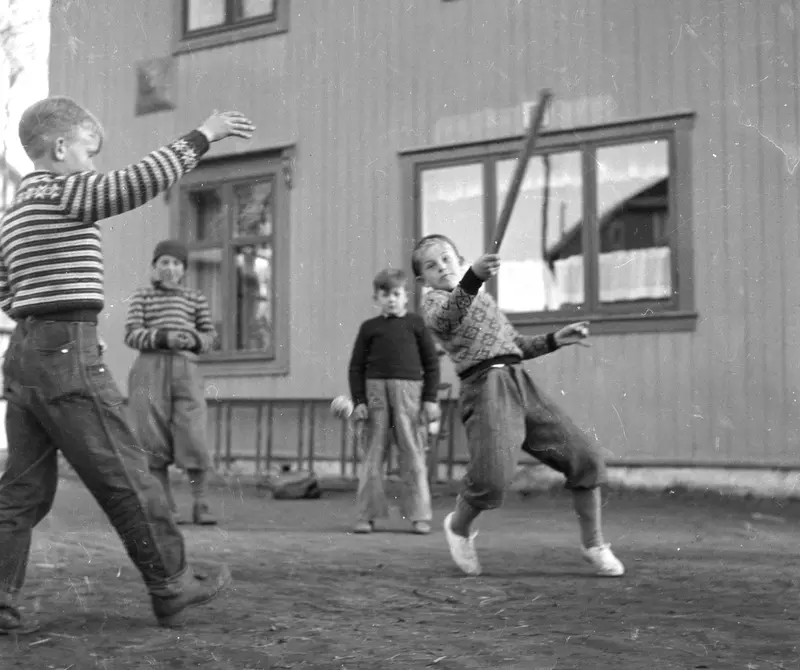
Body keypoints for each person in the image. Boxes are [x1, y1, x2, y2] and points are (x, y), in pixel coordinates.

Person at [0, 95, 254, 634]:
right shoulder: (65, 190)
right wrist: (202, 135)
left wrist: (46, 324)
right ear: (62, 147)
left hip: (25, 356)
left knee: (21, 491)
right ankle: (172, 582)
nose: (94, 165)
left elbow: (5, 288)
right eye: (89, 152)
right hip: (65, 351)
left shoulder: (15, 212)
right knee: (127, 471)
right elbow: (135, 183)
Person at [412, 234, 625, 577]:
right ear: (423, 280)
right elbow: (448, 318)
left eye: (447, 260)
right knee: (491, 480)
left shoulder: (481, 300)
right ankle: (459, 528)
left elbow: (516, 345)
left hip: (519, 382)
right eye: (431, 266)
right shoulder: (434, 303)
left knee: (586, 457)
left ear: (459, 259)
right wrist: (474, 276)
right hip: (484, 387)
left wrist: (557, 339)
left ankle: (594, 543)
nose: (442, 268)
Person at [125, 239, 219, 526]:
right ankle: (165, 506)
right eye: (164, 262)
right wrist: (163, 337)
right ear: (154, 267)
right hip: (150, 367)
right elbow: (131, 333)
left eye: (176, 263)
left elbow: (209, 336)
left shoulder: (195, 298)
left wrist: (192, 339)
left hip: (185, 368)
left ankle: (201, 502)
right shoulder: (142, 297)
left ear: (183, 270)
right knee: (151, 436)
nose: (170, 268)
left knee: (193, 433)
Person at [347, 268, 441, 535]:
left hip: (410, 395)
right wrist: (359, 400)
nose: (391, 299)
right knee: (373, 455)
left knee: (412, 454)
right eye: (385, 294)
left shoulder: (416, 325)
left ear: (405, 297)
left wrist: (430, 399)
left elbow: (431, 364)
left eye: (396, 294)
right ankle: (366, 515)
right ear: (376, 298)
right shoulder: (369, 328)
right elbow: (356, 368)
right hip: (375, 394)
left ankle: (419, 515)